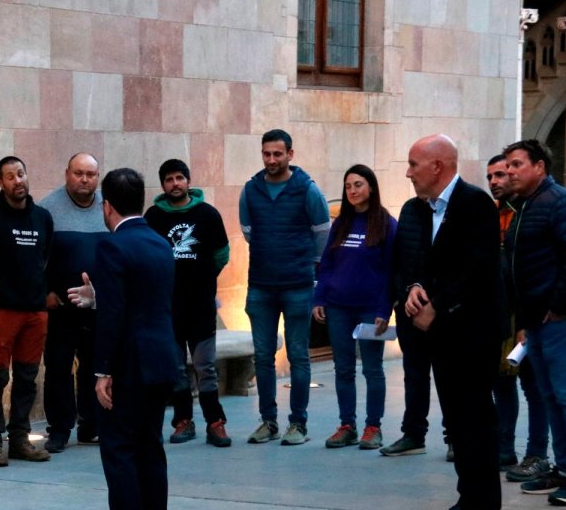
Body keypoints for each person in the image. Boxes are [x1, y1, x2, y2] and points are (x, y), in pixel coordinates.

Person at [75, 168, 180, 510]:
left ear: (107, 206)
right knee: (150, 450)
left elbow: (116, 315)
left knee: (119, 452)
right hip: (161, 359)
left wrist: (103, 370)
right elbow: (143, 299)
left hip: (129, 365)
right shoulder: (159, 242)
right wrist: (98, 295)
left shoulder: (113, 246)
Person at [402, 135, 504, 510]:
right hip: (444, 336)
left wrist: (438, 306)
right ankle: (467, 502)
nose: (408, 173)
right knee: (457, 426)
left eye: (413, 164)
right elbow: (427, 262)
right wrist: (415, 288)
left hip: (473, 332)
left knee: (476, 423)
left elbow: (477, 269)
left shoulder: (475, 204)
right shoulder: (425, 209)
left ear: (437, 167)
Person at [502, 140, 566, 506]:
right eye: (508, 165)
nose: (509, 171)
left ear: (539, 166)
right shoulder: (525, 206)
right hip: (537, 319)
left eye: (516, 164)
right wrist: (525, 317)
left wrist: (558, 306)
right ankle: (565, 468)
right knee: (551, 396)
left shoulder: (563, 203)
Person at [239, 129, 330, 445]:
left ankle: (298, 424)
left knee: (298, 356)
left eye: (278, 154)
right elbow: (248, 232)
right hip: (261, 287)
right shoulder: (251, 190)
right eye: (267, 154)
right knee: (263, 357)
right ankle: (268, 421)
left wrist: (308, 265)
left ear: (290, 154)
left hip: (298, 286)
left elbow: (322, 232)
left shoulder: (307, 189)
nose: (271, 159)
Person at [0, 156, 54, 466]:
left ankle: (19, 439)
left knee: (28, 377)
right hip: (1, 310)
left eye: (21, 174)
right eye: (10, 176)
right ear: (0, 182)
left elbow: (46, 257)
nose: (18, 180)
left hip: (35, 311)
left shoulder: (42, 217)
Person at [143, 158, 231, 447]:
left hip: (201, 307)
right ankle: (183, 421)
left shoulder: (208, 214)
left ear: (188, 181)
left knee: (206, 367)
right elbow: (148, 258)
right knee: (177, 369)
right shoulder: (153, 217)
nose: (175, 184)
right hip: (168, 308)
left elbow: (222, 254)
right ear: (163, 185)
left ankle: (215, 423)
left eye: (179, 178)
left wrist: (203, 279)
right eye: (169, 179)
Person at [311, 165, 397, 450]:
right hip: (338, 308)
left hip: (370, 310)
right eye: (348, 186)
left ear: (371, 187)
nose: (352, 191)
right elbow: (327, 264)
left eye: (358, 185)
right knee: (343, 369)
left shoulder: (386, 224)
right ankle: (347, 425)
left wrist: (384, 310)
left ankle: (374, 427)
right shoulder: (341, 223)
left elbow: (392, 272)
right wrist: (319, 298)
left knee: (372, 369)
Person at [486, 155, 552, 481]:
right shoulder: (490, 214)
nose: (496, 181)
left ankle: (537, 453)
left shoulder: (529, 211)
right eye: (491, 176)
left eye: (502, 173)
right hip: (498, 312)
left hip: (527, 314)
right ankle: (504, 448)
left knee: (533, 387)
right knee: (501, 384)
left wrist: (528, 320)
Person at [39, 152, 109, 452]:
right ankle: (59, 429)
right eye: (78, 173)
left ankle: (91, 426)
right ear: (67, 173)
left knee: (94, 366)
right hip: (60, 307)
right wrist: (45, 292)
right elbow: (36, 257)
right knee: (58, 368)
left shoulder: (108, 207)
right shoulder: (47, 209)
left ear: (98, 177)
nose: (84, 179)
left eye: (90, 175)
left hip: (98, 307)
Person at [380, 174, 451, 460]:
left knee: (447, 376)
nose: (410, 176)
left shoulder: (455, 209)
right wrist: (402, 296)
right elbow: (400, 259)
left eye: (415, 170)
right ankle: (413, 434)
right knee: (414, 374)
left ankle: (454, 437)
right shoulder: (410, 209)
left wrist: (435, 300)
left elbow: (454, 264)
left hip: (443, 309)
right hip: (409, 309)